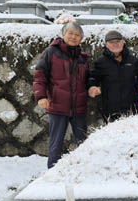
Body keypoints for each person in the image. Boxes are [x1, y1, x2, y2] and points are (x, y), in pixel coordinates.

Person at [33, 22, 94, 168]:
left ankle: (84, 169)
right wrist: (41, 96)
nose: (73, 37)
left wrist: (92, 86)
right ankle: (53, 173)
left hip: (79, 107)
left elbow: (88, 79)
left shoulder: (82, 58)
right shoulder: (51, 52)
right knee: (56, 142)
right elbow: (40, 76)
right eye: (70, 33)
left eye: (77, 35)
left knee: (83, 142)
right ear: (63, 34)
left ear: (81, 39)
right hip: (57, 105)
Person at [88, 30, 138, 122]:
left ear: (123, 43)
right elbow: (94, 77)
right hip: (109, 107)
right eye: (111, 42)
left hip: (131, 106)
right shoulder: (100, 62)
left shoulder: (133, 60)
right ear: (106, 44)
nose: (115, 44)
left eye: (118, 41)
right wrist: (92, 86)